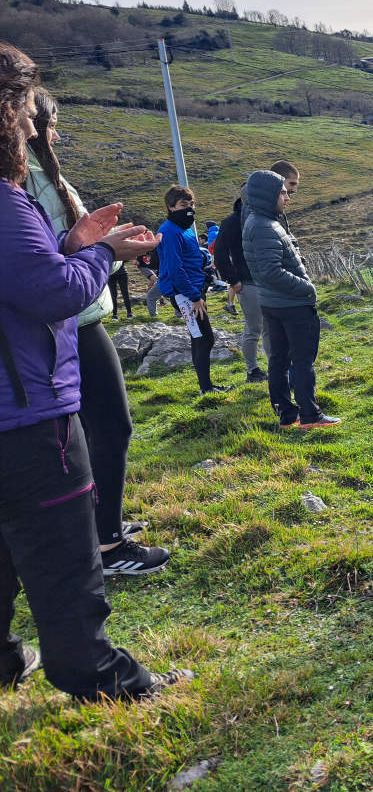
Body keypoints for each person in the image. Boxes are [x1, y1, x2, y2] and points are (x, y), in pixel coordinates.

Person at [0, 41, 192, 699]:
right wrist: (100, 254)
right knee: (59, 547)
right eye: (22, 111)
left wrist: (69, 248)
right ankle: (100, 676)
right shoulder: (3, 201)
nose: (29, 127)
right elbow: (49, 292)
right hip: (24, 410)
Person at [25, 88, 170, 576]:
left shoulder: (40, 173)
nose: (54, 133)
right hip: (73, 320)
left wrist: (83, 240)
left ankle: (100, 530)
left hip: (77, 314)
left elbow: (49, 249)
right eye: (48, 123)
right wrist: (102, 250)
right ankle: (106, 546)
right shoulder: (26, 174)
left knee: (96, 430)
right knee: (110, 426)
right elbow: (40, 267)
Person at [241, 166, 340, 428]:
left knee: (279, 360)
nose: (288, 198)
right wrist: (307, 289)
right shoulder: (264, 226)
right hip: (291, 304)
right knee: (302, 360)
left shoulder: (259, 221)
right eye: (282, 193)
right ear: (267, 196)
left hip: (272, 302)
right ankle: (310, 415)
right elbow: (271, 271)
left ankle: (287, 414)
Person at [156, 185, 230, 394]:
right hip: (186, 294)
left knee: (199, 337)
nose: (189, 209)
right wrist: (194, 296)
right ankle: (205, 389)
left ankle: (206, 387)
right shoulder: (169, 231)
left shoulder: (185, 228)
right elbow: (175, 268)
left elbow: (189, 258)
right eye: (183, 205)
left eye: (191, 204)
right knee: (204, 338)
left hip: (195, 288)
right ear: (171, 207)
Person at [212, 195, 268, 381]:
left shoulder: (264, 217)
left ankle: (274, 367)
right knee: (254, 328)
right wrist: (233, 280)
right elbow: (219, 253)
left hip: (267, 281)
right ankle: (252, 370)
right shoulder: (232, 222)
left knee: (270, 327)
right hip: (247, 282)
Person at [135, 252, 162, 317]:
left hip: (157, 269)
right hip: (145, 268)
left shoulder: (157, 250)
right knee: (155, 280)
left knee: (152, 285)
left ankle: (153, 299)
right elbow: (135, 262)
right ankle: (155, 301)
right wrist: (136, 261)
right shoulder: (142, 250)